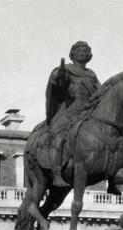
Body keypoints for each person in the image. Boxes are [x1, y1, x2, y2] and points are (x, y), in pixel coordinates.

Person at [43, 41, 101, 188]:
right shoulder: (66, 70)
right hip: (70, 111)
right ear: (72, 54)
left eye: (85, 50)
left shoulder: (91, 74)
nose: (82, 52)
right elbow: (57, 82)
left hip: (88, 112)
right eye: (79, 50)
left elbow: (100, 92)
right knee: (60, 137)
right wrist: (59, 74)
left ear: (90, 55)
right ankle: (56, 174)